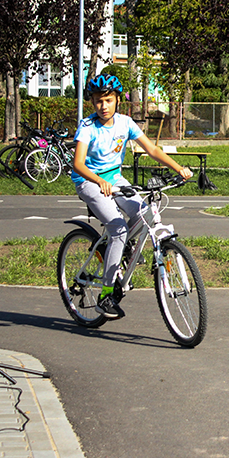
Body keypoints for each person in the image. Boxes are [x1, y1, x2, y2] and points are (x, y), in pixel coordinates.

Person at [72, 74, 192, 319]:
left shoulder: (125, 123)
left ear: (117, 100)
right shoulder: (87, 127)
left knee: (144, 214)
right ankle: (106, 295)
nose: (103, 106)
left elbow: (152, 149)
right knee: (119, 229)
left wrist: (178, 168)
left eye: (107, 100)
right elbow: (78, 164)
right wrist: (99, 181)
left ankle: (118, 251)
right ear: (92, 103)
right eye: (97, 101)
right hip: (89, 181)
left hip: (116, 180)